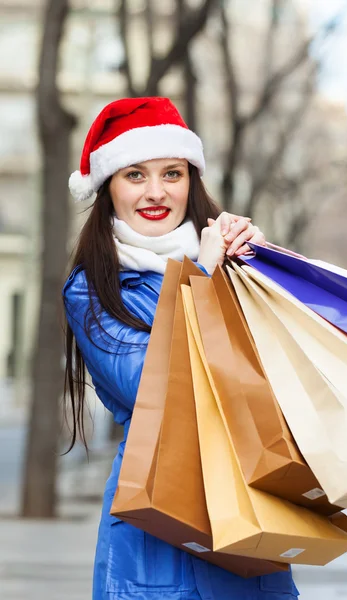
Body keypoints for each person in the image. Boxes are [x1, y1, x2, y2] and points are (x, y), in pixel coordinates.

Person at [63, 97, 300, 600]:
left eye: (172, 173)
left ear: (191, 181)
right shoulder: (93, 288)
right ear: (108, 187)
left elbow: (285, 368)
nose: (156, 192)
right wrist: (203, 275)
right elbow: (148, 383)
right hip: (156, 529)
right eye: (134, 175)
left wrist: (262, 270)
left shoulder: (231, 260)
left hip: (249, 515)